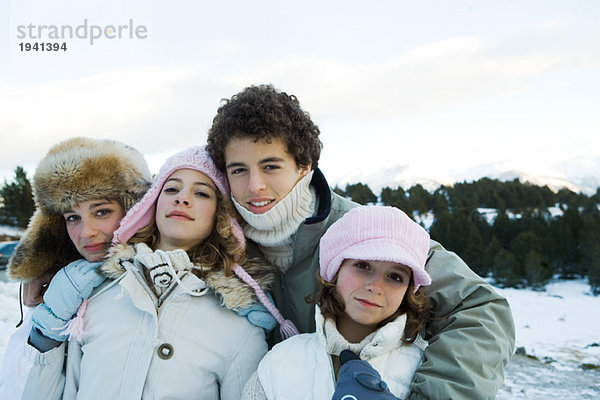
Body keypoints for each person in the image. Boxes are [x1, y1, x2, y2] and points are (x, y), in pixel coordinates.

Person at [206, 83, 516, 399]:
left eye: (270, 166)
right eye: (239, 169)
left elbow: (481, 310)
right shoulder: (218, 243)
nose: (255, 184)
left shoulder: (367, 233)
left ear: (304, 166)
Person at [16, 145, 286, 399]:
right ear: (151, 204)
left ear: (221, 215)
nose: (182, 198)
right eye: (171, 189)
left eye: (201, 193)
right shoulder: (95, 291)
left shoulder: (241, 323)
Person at [0, 137, 153, 398]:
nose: (86, 233)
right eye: (73, 217)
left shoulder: (171, 285)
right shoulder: (52, 293)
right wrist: (48, 326)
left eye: (102, 212)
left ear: (137, 210)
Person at [243, 205, 432, 399]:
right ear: (335, 270)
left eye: (395, 276)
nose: (375, 286)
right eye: (362, 265)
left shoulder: (424, 368)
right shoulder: (279, 363)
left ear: (408, 290)